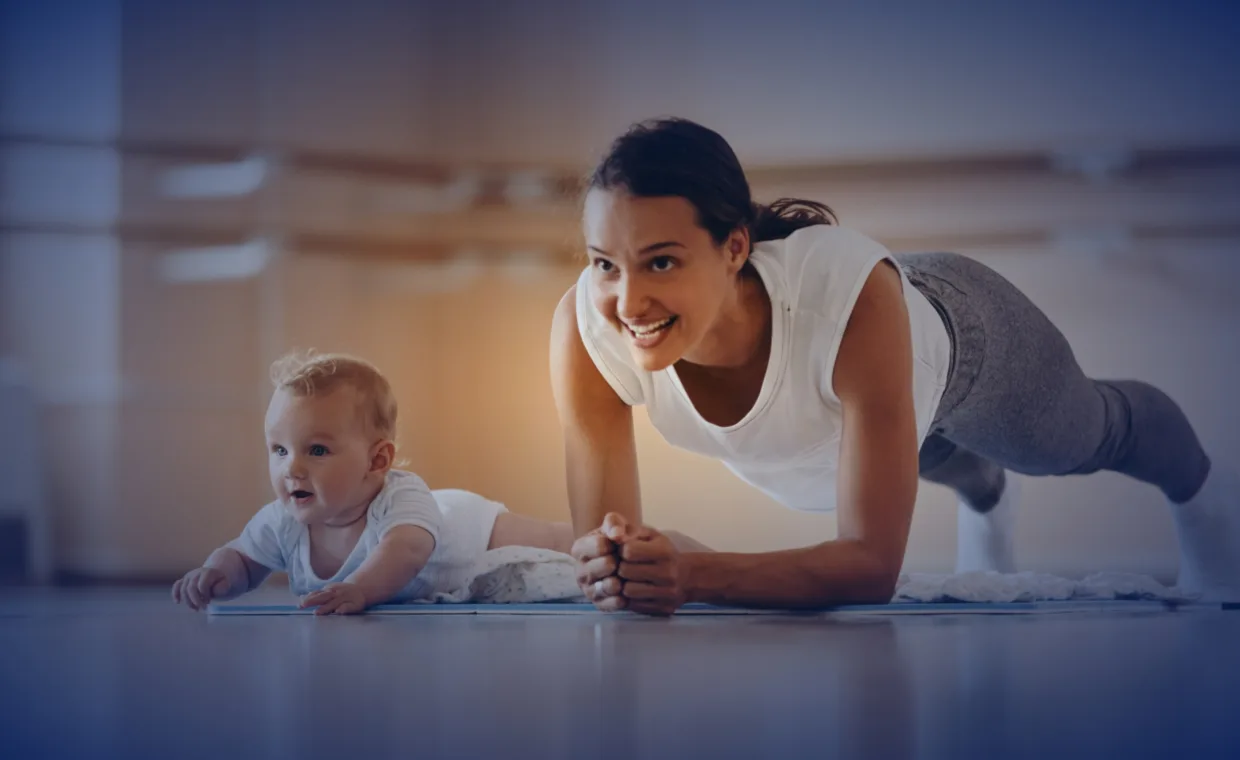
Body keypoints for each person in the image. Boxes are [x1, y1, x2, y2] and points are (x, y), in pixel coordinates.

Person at [550, 117, 1238, 616]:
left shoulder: (849, 304)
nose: (627, 300)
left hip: (966, 343)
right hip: (861, 394)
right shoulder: (586, 331)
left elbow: (871, 565)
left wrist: (691, 575)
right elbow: (604, 551)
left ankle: (1205, 500)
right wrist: (615, 565)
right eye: (604, 263)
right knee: (930, 452)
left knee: (1081, 437)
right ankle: (987, 495)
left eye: (661, 261)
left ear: (734, 248)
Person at [172, 351, 580, 614]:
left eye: (316, 451)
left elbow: (406, 550)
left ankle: (615, 537)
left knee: (558, 542)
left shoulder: (399, 499)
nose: (291, 469)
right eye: (279, 450)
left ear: (377, 460)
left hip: (465, 528)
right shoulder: (283, 523)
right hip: (442, 564)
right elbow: (244, 558)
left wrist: (360, 589)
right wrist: (217, 576)